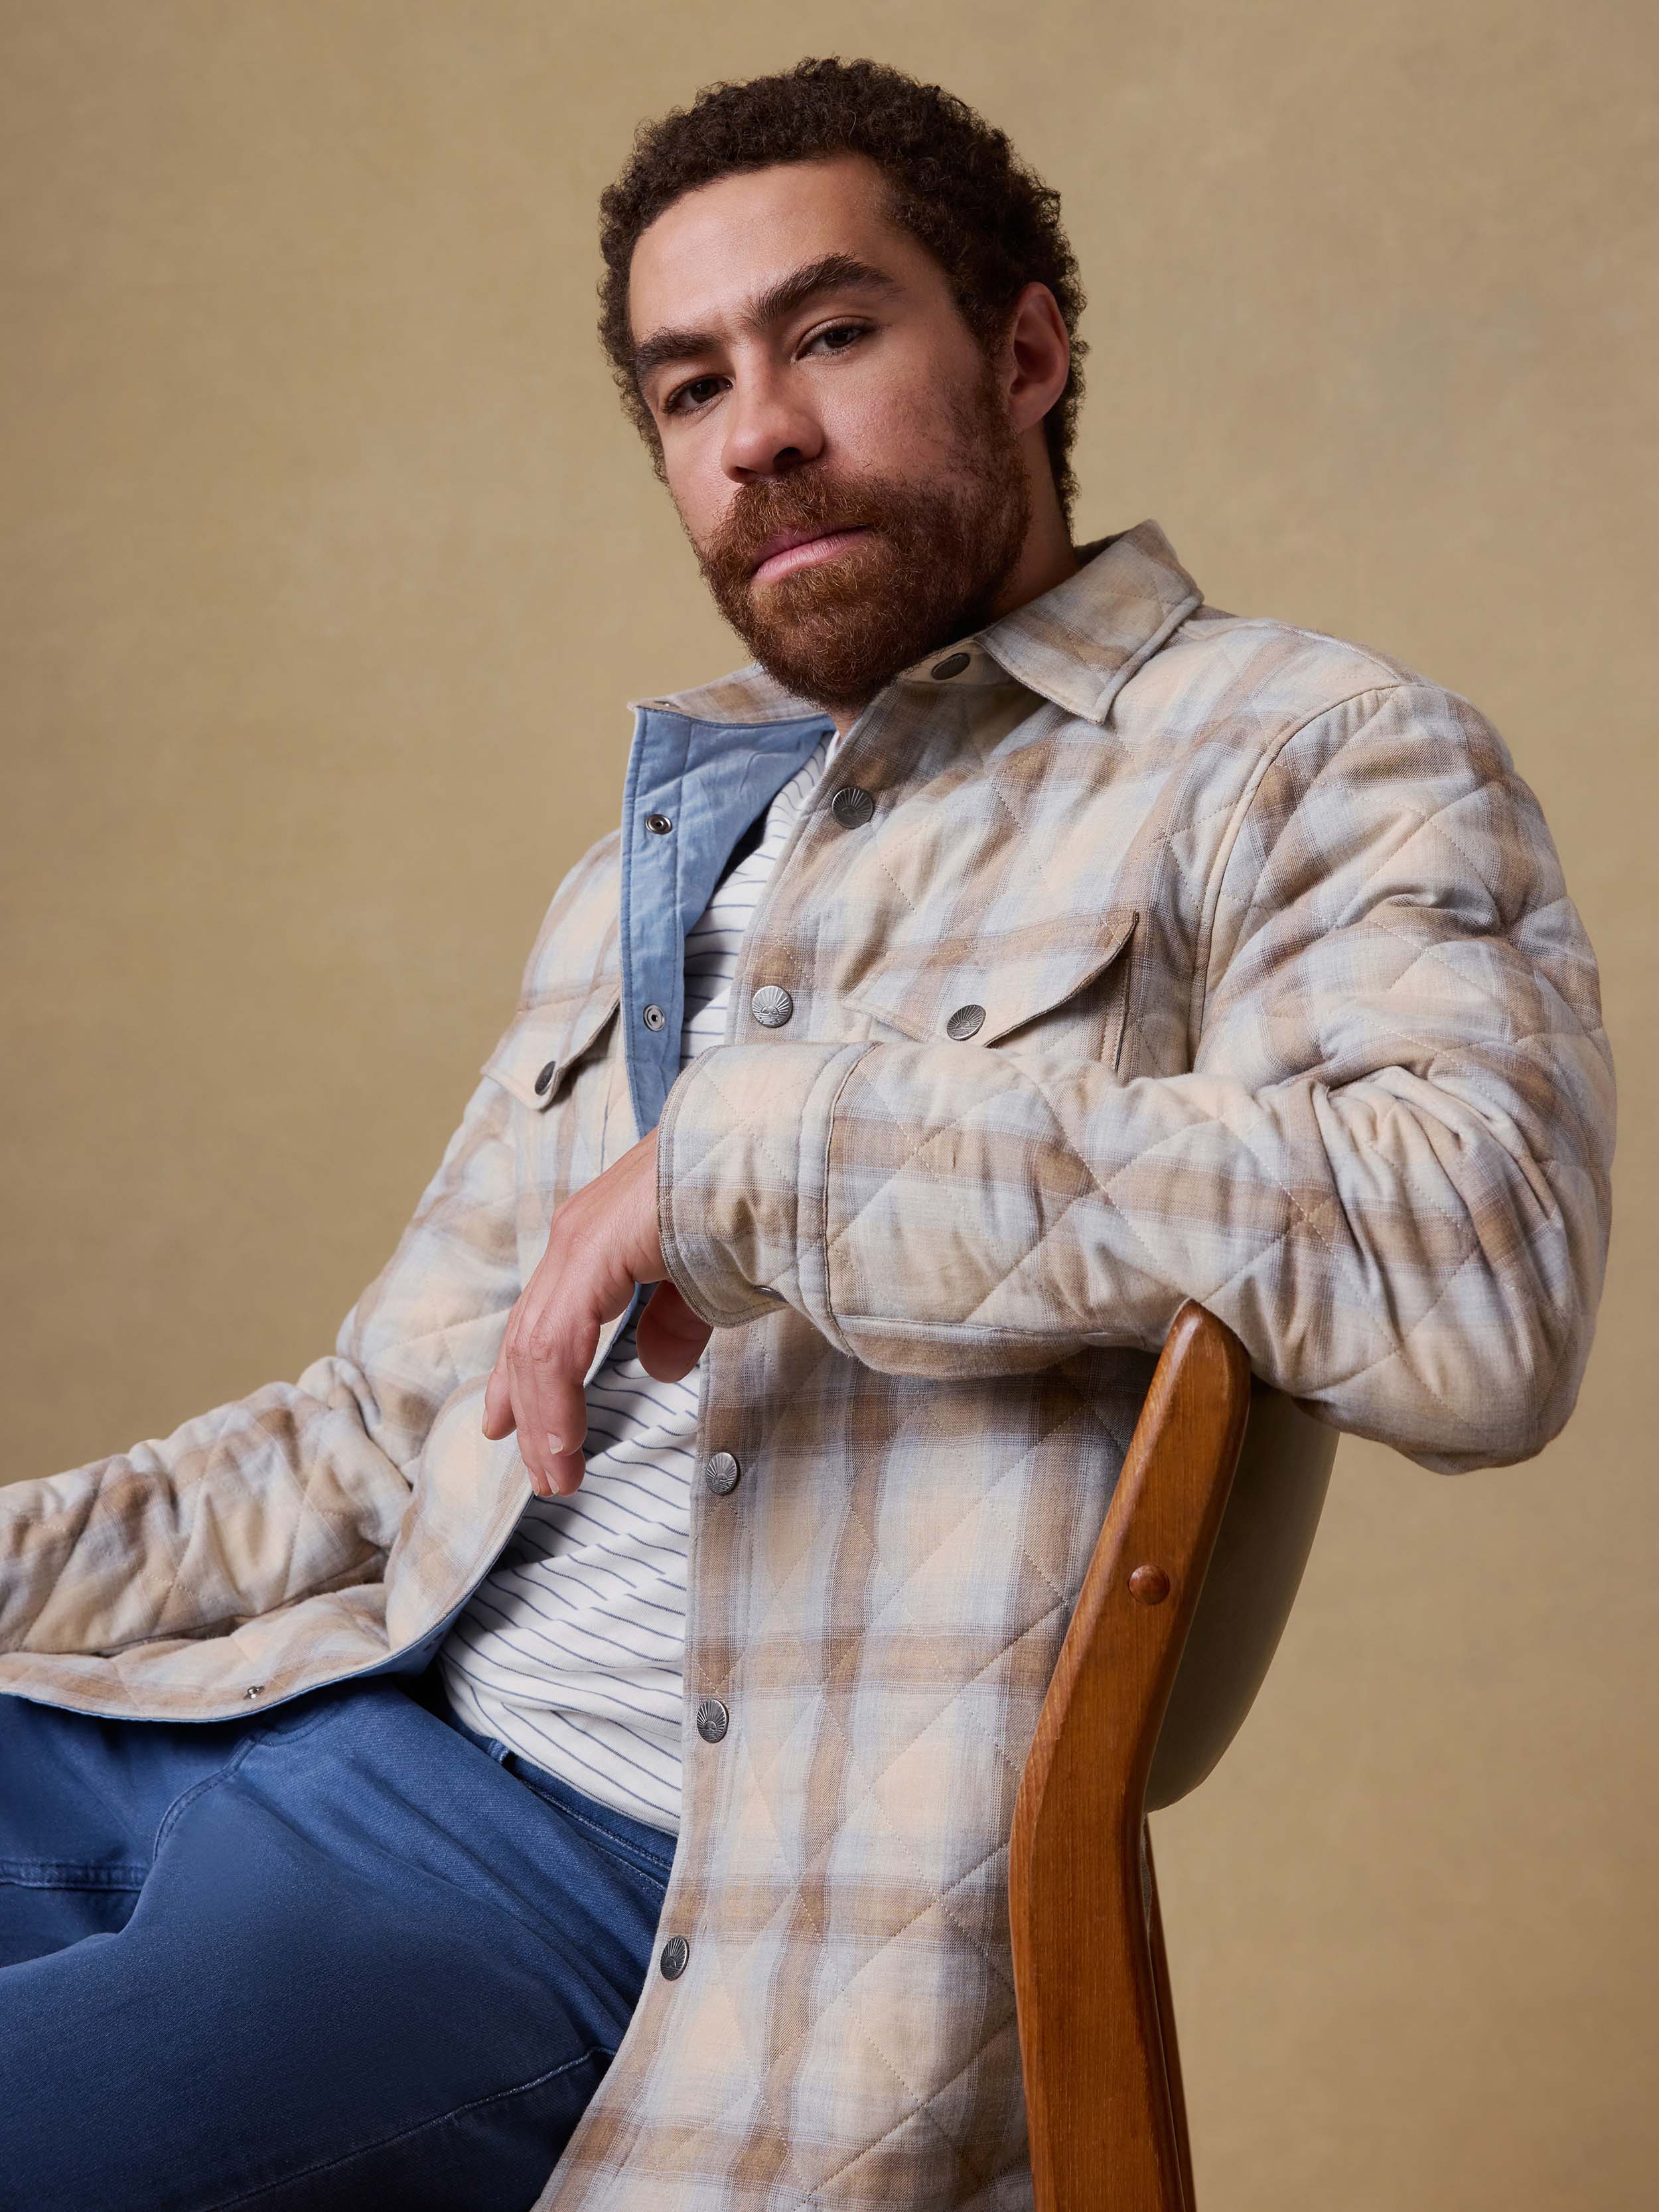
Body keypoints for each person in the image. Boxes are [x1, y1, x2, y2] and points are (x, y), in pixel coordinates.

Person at [0, 54, 1615, 2212]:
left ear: (1026, 351)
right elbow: (376, 1441)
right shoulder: (658, 864)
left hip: (642, 1902)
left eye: (831, 334)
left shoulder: (1294, 755)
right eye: (687, 388)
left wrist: (752, 1158)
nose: (756, 426)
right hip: (312, 1719)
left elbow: (1479, 1261)